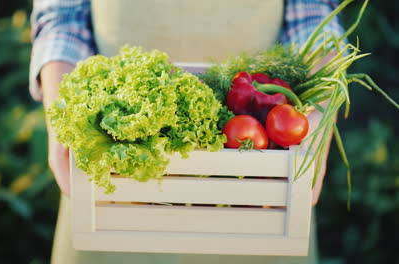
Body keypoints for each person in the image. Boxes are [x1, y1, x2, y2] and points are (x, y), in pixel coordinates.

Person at [30, 0, 345, 263]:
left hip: (263, 194)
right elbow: (64, 18)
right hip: (113, 186)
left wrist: (316, 113)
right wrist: (66, 115)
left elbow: (313, 12)